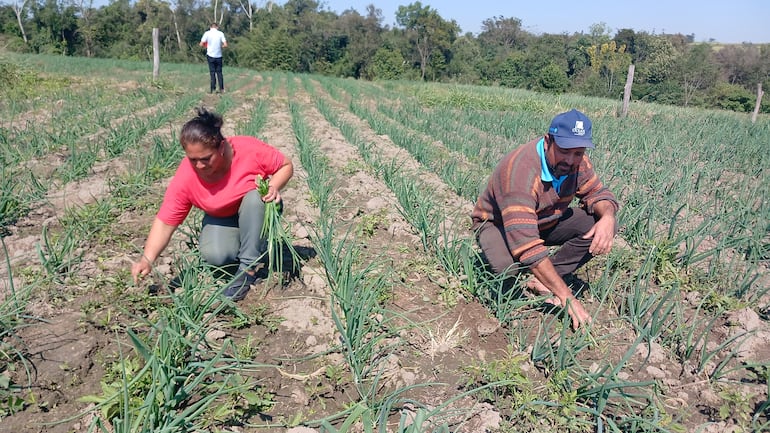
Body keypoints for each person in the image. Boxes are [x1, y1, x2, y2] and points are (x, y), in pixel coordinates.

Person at [471, 109, 619, 330]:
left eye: (578, 152)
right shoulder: (520, 172)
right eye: (564, 151)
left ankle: (542, 279)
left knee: (597, 225)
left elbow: (599, 194)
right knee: (507, 267)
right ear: (548, 141)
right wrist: (567, 297)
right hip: (499, 225)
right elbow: (526, 246)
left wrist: (608, 217)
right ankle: (494, 264)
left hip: (544, 221)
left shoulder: (577, 162)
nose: (570, 160)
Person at [131, 107, 294, 301]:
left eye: (206, 158)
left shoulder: (248, 150)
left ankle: (247, 272)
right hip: (223, 216)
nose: (199, 166)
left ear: (222, 147)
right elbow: (166, 222)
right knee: (217, 256)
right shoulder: (186, 177)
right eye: (193, 160)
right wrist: (147, 259)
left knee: (254, 198)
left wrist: (273, 186)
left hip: (256, 208)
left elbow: (286, 165)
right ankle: (243, 246)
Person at [200, 22, 228, 93]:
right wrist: (220, 47)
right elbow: (225, 45)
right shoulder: (221, 33)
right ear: (217, 27)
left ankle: (213, 89)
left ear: (210, 27)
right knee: (219, 73)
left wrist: (206, 46)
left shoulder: (207, 33)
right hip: (219, 56)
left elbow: (201, 44)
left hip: (210, 55)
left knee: (212, 73)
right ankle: (221, 89)